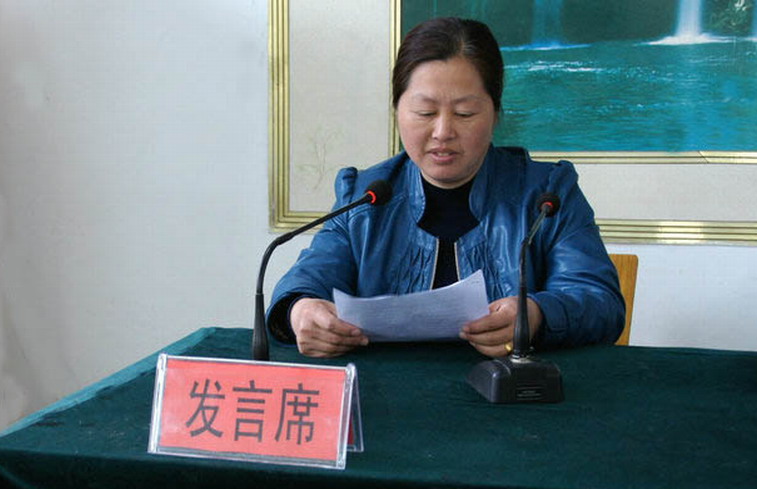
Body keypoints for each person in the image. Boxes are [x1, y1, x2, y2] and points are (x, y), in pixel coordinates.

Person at [267, 17, 625, 358]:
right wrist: (301, 310)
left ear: (496, 114)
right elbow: (308, 280)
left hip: (512, 393)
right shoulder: (365, 196)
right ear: (397, 111)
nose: (443, 132)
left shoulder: (547, 194)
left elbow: (601, 302)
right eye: (425, 113)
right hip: (386, 394)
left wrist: (537, 314)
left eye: (465, 113)